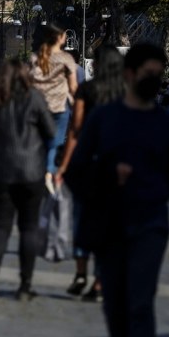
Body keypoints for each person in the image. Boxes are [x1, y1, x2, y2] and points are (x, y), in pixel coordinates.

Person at [64, 43, 169, 337]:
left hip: (151, 224)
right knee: (116, 307)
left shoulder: (167, 123)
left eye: (158, 74)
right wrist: (106, 175)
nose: (155, 80)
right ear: (129, 75)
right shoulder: (104, 118)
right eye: (148, 74)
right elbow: (75, 171)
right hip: (110, 222)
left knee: (140, 302)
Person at [0, 58, 55, 300]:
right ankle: (25, 284)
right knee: (28, 228)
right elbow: (51, 132)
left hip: (0, 169)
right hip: (31, 170)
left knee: (0, 225)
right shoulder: (34, 98)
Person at [57, 45, 125, 303]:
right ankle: (99, 280)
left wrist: (63, 165)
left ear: (98, 65)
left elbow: (75, 129)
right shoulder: (126, 93)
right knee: (109, 225)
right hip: (116, 165)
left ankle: (80, 273)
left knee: (81, 219)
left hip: (87, 162)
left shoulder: (87, 90)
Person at [30, 23, 78, 187]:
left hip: (38, 107)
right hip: (59, 107)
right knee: (55, 142)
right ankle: (48, 171)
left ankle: (39, 171)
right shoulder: (66, 59)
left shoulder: (35, 58)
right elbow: (72, 87)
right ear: (59, 38)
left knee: (40, 141)